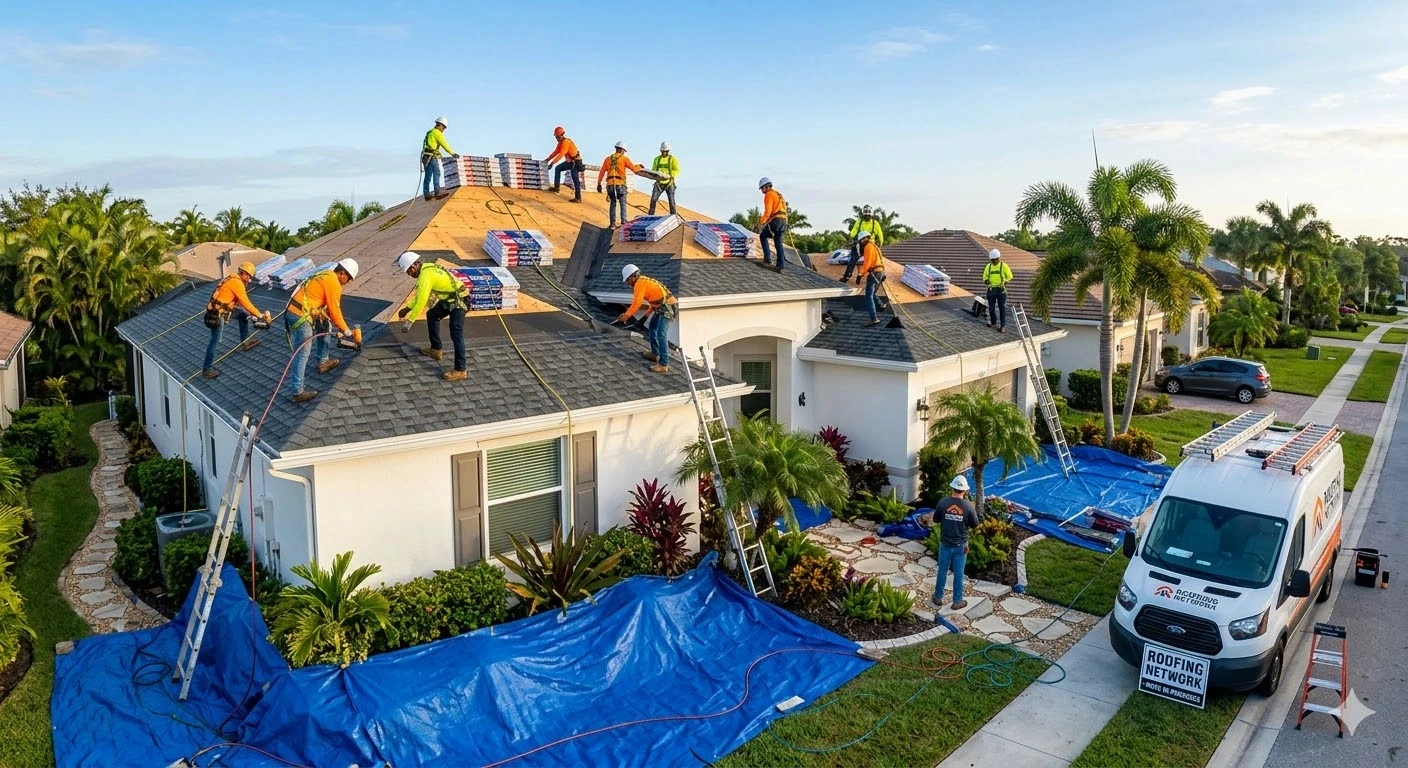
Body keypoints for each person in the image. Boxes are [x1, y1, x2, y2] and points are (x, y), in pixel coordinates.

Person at [285, 259, 359, 403]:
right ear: (342, 273)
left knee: (324, 325)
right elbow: (335, 311)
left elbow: (326, 309)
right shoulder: (333, 283)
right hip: (300, 315)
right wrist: (348, 332)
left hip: (296, 310)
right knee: (303, 353)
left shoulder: (325, 274)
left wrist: (329, 319)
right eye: (348, 279)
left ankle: (323, 362)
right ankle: (297, 392)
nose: (348, 282)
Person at [394, 251, 468, 382]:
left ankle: (460, 370)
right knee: (432, 315)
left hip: (460, 300)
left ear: (413, 267)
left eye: (409, 272)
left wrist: (409, 321)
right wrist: (407, 309)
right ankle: (436, 349)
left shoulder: (425, 275)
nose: (410, 275)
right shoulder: (427, 268)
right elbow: (420, 295)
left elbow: (422, 300)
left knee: (456, 333)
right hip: (449, 300)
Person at [201, 261, 271, 379]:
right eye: (249, 277)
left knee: (242, 314)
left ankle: (245, 342)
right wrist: (260, 316)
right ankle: (207, 369)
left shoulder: (232, 279)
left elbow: (236, 301)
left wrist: (253, 315)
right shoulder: (236, 283)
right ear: (244, 273)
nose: (249, 280)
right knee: (215, 341)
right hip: (217, 314)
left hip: (221, 309)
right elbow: (246, 303)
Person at [617, 264, 676, 374]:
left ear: (633, 276)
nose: (627, 283)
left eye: (627, 280)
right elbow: (656, 299)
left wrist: (627, 315)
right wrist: (647, 314)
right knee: (652, 327)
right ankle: (654, 353)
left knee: (661, 334)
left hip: (668, 308)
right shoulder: (643, 281)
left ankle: (663, 364)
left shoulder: (639, 284)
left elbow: (637, 302)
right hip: (661, 307)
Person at [933, 475, 980, 610]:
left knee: (942, 570)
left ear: (952, 488)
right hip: (961, 546)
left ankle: (938, 597)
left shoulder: (943, 502)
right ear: (964, 491)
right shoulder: (968, 506)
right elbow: (975, 524)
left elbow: (936, 520)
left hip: (945, 544)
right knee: (959, 573)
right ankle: (957, 601)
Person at [598, 141, 644, 228]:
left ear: (616, 148)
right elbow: (634, 169)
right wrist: (639, 166)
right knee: (622, 203)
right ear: (622, 150)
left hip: (610, 185)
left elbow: (602, 172)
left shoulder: (608, 159)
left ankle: (612, 224)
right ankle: (623, 221)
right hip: (620, 185)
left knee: (613, 203)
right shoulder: (624, 159)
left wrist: (599, 184)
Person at [841, 205, 886, 282]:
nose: (867, 214)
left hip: (869, 245)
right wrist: (852, 236)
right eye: (865, 212)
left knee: (876, 259)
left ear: (871, 213)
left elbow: (880, 234)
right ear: (863, 213)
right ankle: (847, 276)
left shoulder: (875, 223)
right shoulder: (859, 222)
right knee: (853, 259)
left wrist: (880, 243)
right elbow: (853, 232)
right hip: (859, 244)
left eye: (869, 212)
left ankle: (880, 274)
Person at [545, 126, 584, 202]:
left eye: (558, 137)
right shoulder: (560, 143)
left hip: (576, 163)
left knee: (575, 179)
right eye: (556, 137)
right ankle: (556, 188)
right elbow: (556, 152)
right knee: (558, 168)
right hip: (570, 162)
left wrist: (552, 163)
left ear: (562, 135)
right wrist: (548, 159)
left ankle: (578, 198)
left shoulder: (566, 142)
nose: (557, 139)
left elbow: (561, 154)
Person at [421, 117, 455, 202]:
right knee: (437, 173)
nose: (443, 130)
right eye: (443, 127)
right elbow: (444, 144)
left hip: (425, 156)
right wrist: (452, 153)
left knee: (428, 175)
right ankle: (437, 192)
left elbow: (429, 145)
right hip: (431, 157)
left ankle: (426, 194)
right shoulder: (437, 133)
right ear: (440, 125)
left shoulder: (430, 132)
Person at [757, 177, 788, 272]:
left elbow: (768, 212)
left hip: (776, 221)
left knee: (763, 236)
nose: (762, 191)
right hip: (783, 221)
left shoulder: (769, 195)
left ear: (766, 186)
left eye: (762, 188)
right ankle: (780, 266)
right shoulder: (778, 194)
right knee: (778, 243)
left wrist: (761, 222)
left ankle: (767, 259)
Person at [856, 231, 885, 328]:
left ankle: (874, 318)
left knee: (868, 295)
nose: (861, 242)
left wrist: (860, 274)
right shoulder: (874, 246)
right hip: (880, 271)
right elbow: (879, 259)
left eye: (861, 240)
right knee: (872, 293)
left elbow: (867, 263)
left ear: (864, 238)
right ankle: (881, 305)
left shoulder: (868, 247)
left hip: (875, 272)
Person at [983, 247, 1014, 332]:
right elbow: (984, 277)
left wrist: (1005, 282)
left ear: (998, 258)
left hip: (1001, 290)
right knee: (991, 308)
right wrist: (986, 281)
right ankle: (993, 322)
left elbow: (1010, 276)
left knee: (1002, 308)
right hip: (991, 290)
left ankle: (1002, 326)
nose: (994, 261)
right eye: (992, 260)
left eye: (995, 260)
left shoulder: (1004, 266)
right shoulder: (988, 266)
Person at [648, 142, 680, 216]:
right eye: (663, 151)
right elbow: (654, 170)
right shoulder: (657, 159)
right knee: (653, 200)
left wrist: (670, 175)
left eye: (665, 151)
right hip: (659, 183)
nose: (664, 153)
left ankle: (673, 216)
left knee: (671, 201)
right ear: (660, 150)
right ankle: (650, 216)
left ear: (668, 151)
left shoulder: (672, 159)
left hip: (669, 183)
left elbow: (677, 170)